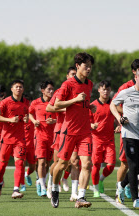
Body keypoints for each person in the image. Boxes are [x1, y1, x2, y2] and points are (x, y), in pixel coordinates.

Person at [51, 52, 96, 208]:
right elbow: (56, 105)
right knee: (62, 164)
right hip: (69, 131)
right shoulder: (67, 84)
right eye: (86, 66)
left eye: (90, 66)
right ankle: (55, 188)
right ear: (78, 66)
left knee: (87, 163)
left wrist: (89, 106)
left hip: (85, 131)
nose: (89, 69)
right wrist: (75, 100)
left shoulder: (89, 84)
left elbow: (83, 103)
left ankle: (81, 197)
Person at [110, 67, 139, 210]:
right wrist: (119, 118)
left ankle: (121, 186)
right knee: (132, 166)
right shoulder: (126, 92)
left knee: (137, 169)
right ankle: (136, 199)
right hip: (128, 134)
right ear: (135, 77)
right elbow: (112, 104)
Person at [0, 80, 28, 199]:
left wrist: (27, 119)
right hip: (6, 138)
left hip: (20, 139)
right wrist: (10, 120)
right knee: (2, 164)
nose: (19, 89)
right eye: (16, 87)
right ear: (12, 89)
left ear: (23, 90)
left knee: (20, 163)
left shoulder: (26, 103)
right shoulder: (5, 102)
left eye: (21, 87)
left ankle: (16, 189)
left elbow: (27, 116)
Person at [46, 66, 76, 199]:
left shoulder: (81, 91)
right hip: (61, 131)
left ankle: (75, 193)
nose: (74, 76)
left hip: (76, 130)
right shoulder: (60, 91)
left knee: (74, 162)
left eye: (76, 74)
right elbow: (49, 107)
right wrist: (64, 109)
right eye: (72, 74)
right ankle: (51, 184)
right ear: (67, 76)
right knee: (59, 162)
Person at [90, 80, 118, 198]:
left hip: (109, 140)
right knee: (96, 165)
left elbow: (118, 117)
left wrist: (119, 125)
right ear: (99, 90)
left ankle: (101, 180)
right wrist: (91, 125)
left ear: (110, 91)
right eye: (103, 89)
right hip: (96, 139)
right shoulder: (92, 105)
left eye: (107, 89)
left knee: (111, 165)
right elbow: (85, 121)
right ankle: (96, 189)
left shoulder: (113, 105)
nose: (105, 91)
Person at [29, 80, 56, 197]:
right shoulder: (35, 103)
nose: (51, 91)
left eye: (52, 89)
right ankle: (43, 186)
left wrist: (54, 121)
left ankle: (41, 182)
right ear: (43, 91)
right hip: (39, 136)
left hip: (52, 137)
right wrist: (34, 121)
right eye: (49, 89)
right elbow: (29, 113)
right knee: (41, 161)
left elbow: (61, 117)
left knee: (48, 163)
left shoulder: (55, 103)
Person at [21, 94, 36, 192]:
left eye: (30, 101)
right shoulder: (21, 114)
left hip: (32, 145)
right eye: (27, 101)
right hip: (21, 143)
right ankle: (22, 184)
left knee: (32, 167)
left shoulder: (34, 116)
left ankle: (27, 175)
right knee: (20, 164)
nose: (29, 104)